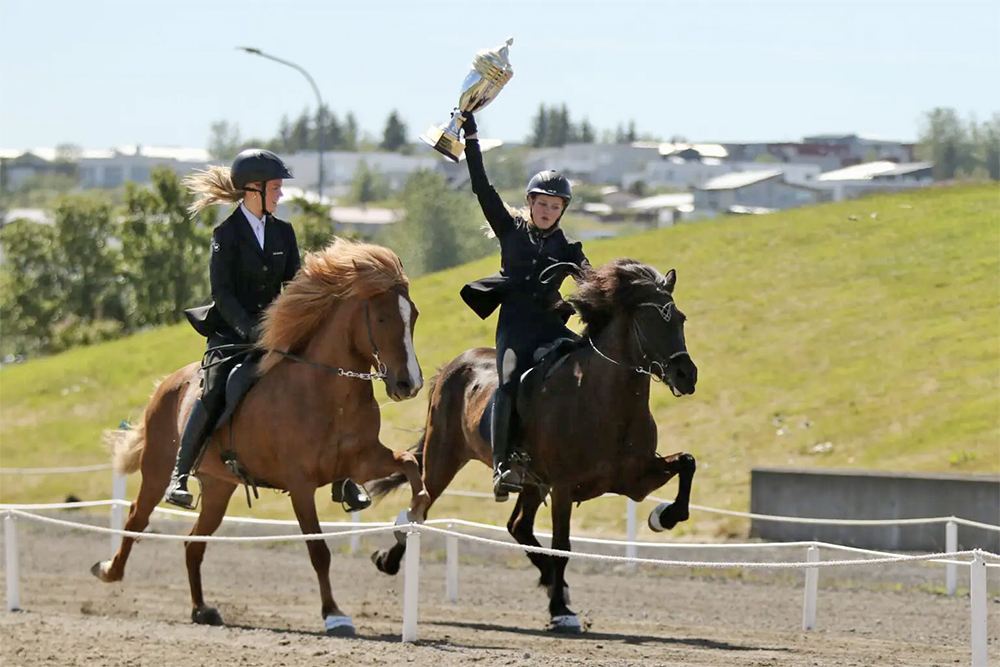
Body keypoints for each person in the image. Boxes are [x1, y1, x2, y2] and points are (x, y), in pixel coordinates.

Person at [164, 148, 371, 513]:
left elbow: (293, 287)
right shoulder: (225, 234)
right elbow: (222, 293)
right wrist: (250, 330)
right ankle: (179, 477)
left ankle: (344, 479)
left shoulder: (283, 232)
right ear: (253, 190)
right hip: (232, 334)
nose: (281, 195)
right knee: (213, 390)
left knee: (326, 380)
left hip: (279, 330)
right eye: (275, 187)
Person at [457, 113, 591, 502]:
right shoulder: (510, 231)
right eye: (541, 204)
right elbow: (482, 188)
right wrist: (472, 139)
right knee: (511, 381)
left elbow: (592, 287)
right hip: (515, 330)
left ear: (562, 210)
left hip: (551, 329)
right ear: (529, 203)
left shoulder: (570, 250)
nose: (547, 211)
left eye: (555, 206)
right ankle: (501, 465)